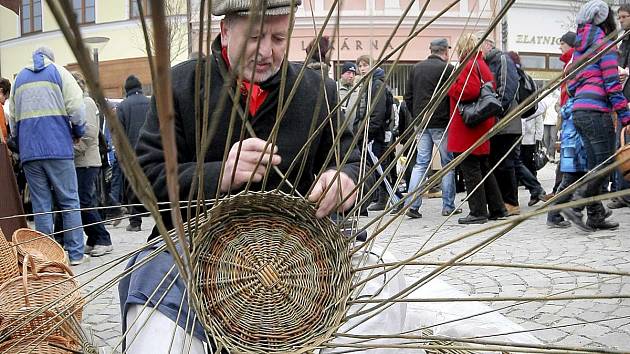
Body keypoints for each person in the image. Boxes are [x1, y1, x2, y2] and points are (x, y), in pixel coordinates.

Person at [119, 0, 360, 347]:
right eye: (255, 37)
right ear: (225, 31)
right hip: (191, 254)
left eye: (279, 39)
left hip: (298, 260)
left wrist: (344, 178)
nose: (266, 52)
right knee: (156, 299)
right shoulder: (181, 85)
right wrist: (219, 174)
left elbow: (350, 160)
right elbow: (137, 185)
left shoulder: (317, 91)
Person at [10, 47, 87, 265]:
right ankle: (74, 254)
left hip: (30, 153)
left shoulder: (19, 80)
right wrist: (77, 132)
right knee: (69, 201)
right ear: (51, 59)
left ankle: (45, 257)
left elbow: (13, 120)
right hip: (58, 149)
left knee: (41, 206)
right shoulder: (60, 73)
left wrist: (21, 142)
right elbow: (77, 109)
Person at [561, 0, 629, 231]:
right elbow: (612, 86)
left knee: (594, 165)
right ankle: (577, 206)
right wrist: (626, 116)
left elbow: (570, 87)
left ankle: (596, 214)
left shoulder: (580, 50)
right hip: (597, 112)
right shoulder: (606, 46)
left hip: (579, 111)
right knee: (607, 164)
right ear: (606, 21)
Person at [447, 33, 507, 225]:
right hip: (480, 123)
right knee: (483, 167)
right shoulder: (482, 64)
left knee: (471, 169)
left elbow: (468, 91)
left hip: (468, 126)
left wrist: (450, 88)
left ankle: (478, 211)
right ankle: (497, 208)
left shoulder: (469, 64)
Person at [402, 38, 460, 218]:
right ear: (445, 51)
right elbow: (454, 96)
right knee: (447, 164)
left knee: (421, 163)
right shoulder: (448, 69)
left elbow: (408, 97)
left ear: (431, 50)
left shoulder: (416, 68)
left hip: (421, 122)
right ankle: (448, 206)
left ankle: (412, 205)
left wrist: (416, 115)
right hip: (441, 122)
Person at [71, 72, 113, 257]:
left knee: (84, 201)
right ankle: (93, 238)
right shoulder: (79, 103)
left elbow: (88, 134)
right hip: (83, 161)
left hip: (86, 161)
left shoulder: (85, 103)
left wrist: (72, 151)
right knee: (85, 200)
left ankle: (103, 238)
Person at [480, 36, 522, 216]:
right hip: (496, 122)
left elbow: (507, 89)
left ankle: (511, 202)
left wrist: (495, 111)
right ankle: (501, 203)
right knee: (496, 164)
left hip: (506, 122)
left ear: (488, 45)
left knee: (506, 164)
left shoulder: (502, 59)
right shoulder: (487, 63)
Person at [354, 55, 395, 212]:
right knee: (369, 168)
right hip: (365, 133)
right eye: (360, 65)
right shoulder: (366, 84)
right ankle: (373, 199)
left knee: (379, 168)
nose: (362, 68)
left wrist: (366, 133)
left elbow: (377, 114)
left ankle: (390, 198)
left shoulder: (376, 84)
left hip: (374, 135)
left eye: (365, 65)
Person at [116, 75, 150, 232]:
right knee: (152, 182)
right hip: (150, 150)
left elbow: (119, 133)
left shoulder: (123, 106)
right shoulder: (150, 102)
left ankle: (135, 222)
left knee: (133, 186)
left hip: (131, 154)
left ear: (126, 90)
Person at [608, 3, 630, 209]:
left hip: (628, 99)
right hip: (622, 99)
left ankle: (624, 193)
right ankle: (621, 191)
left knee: (625, 147)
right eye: (620, 17)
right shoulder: (622, 41)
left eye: (624, 17)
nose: (621, 20)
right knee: (621, 147)